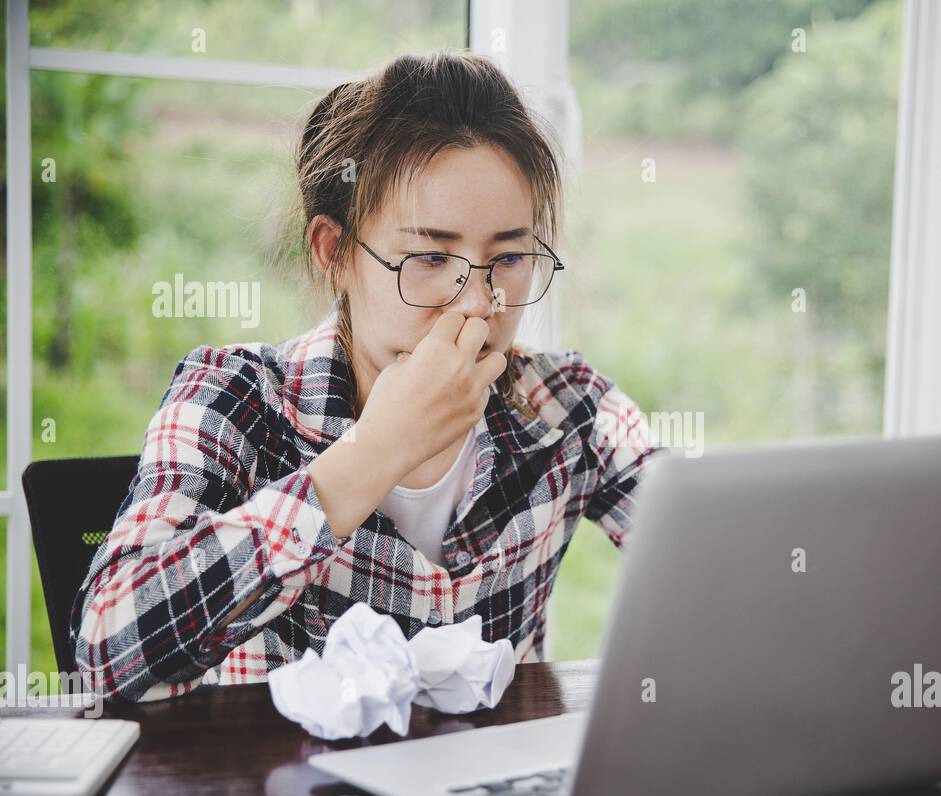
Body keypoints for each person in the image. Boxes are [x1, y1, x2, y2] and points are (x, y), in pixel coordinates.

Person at [70, 51, 662, 702]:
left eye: (510, 256)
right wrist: (373, 453)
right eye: (431, 257)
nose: (476, 302)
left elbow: (732, 567)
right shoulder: (233, 396)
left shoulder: (567, 406)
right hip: (289, 794)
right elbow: (107, 649)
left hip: (483, 794)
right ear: (335, 253)